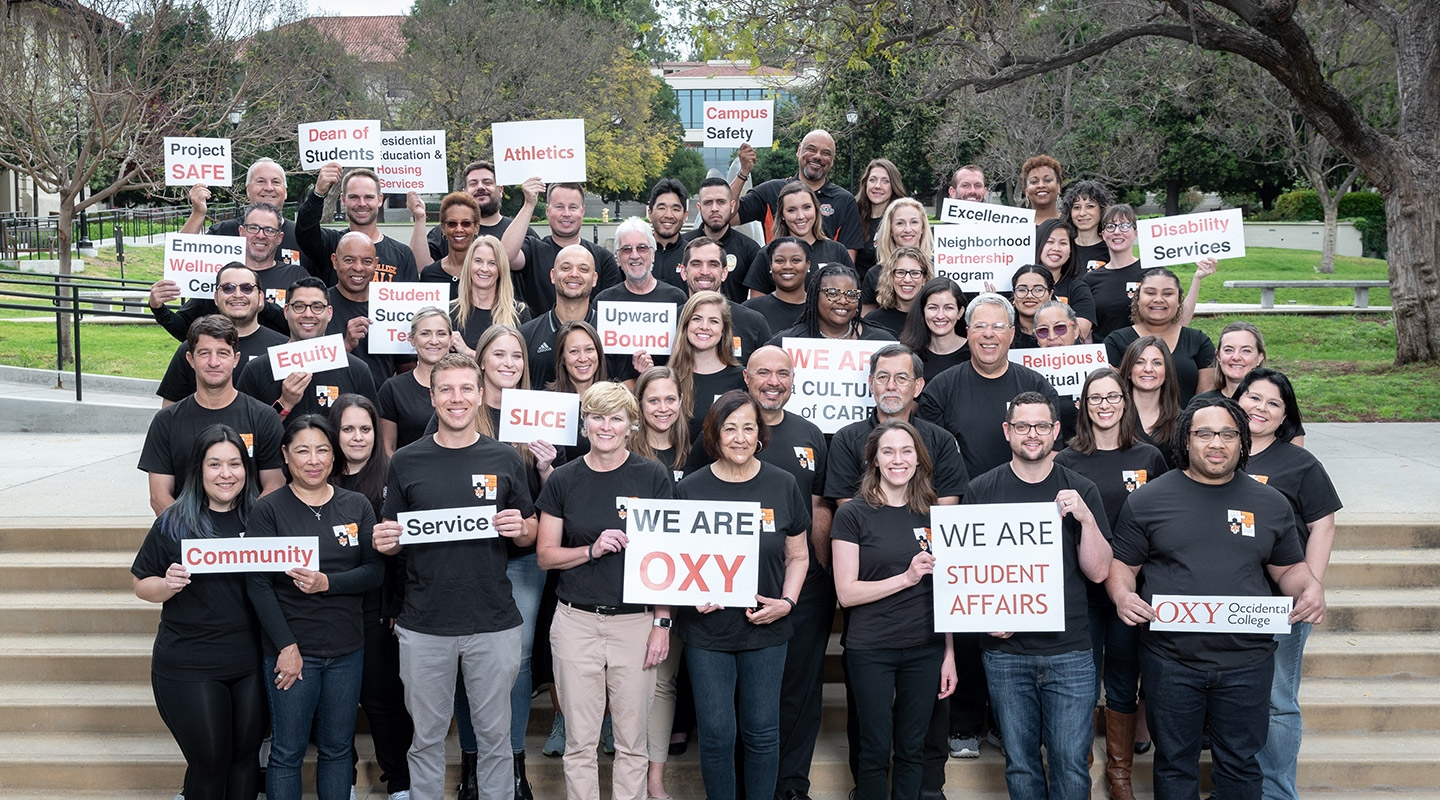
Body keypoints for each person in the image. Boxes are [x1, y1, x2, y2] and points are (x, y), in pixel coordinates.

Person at [1108, 396, 1327, 800]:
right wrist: (1122, 595)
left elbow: (1289, 569)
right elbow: (1123, 566)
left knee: (1241, 766)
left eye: (1228, 434)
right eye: (1205, 433)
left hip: (1247, 663)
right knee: (1174, 763)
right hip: (1170, 661)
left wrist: (1310, 586)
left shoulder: (1270, 503)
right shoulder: (1147, 500)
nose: (1217, 443)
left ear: (1242, 442)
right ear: (1185, 440)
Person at [372, 353, 537, 800]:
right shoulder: (406, 461)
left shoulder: (505, 457)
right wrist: (387, 540)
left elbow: (529, 530)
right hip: (424, 624)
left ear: (480, 394)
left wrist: (523, 528)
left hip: (493, 621)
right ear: (432, 396)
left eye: (466, 388)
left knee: (496, 742)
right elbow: (393, 536)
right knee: (425, 740)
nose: (456, 398)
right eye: (446, 389)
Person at [966, 392, 1114, 800]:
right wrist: (985, 618)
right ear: (1007, 431)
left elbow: (1100, 571)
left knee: (1070, 763)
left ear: (1057, 431)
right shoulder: (981, 490)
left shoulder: (1080, 489)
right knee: (1021, 763)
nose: (1033, 434)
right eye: (1023, 426)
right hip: (1006, 654)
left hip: (1070, 652)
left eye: (1042, 426)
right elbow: (971, 574)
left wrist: (1085, 518)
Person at [536, 382, 675, 800]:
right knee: (580, 742)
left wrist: (662, 622)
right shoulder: (563, 479)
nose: (606, 426)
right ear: (585, 423)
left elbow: (666, 558)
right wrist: (591, 550)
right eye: (597, 416)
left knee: (632, 742)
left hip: (634, 623)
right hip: (575, 622)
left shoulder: (652, 475)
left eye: (616, 417)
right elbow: (545, 555)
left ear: (631, 425)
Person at [675, 390, 811, 800]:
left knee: (762, 733)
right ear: (714, 435)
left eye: (748, 427)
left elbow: (799, 555)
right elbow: (676, 561)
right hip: (707, 631)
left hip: (766, 629)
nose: (739, 437)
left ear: (760, 434)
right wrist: (689, 594)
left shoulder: (783, 484)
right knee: (716, 735)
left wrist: (786, 603)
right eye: (729, 428)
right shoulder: (690, 490)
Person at [246, 414, 383, 800]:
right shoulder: (268, 510)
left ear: (334, 455)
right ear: (286, 456)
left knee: (338, 750)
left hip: (346, 650)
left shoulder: (356, 506)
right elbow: (257, 586)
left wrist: (328, 583)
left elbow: (374, 572)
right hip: (292, 651)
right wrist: (286, 647)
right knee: (287, 752)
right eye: (303, 450)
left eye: (322, 449)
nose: (313, 459)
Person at [1054, 368, 1170, 800]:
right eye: (1095, 397)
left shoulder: (1149, 458)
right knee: (1081, 682)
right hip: (1079, 591)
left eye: (1113, 397)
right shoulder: (1064, 460)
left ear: (1125, 402)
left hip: (1130, 590)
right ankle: (1079, 763)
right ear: (1082, 405)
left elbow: (1163, 522)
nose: (1105, 405)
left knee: (1123, 677)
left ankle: (1120, 773)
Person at [132, 424, 266, 800]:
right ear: (198, 470)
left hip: (250, 663)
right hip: (190, 664)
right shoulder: (174, 522)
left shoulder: (264, 519)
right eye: (215, 464)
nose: (226, 474)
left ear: (247, 469)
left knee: (244, 760)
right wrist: (167, 584)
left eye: (235, 464)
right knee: (210, 762)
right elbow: (142, 584)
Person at [832, 420, 958, 800]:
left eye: (906, 451)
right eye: (888, 451)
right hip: (871, 649)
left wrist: (949, 653)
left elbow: (948, 590)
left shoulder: (935, 515)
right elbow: (846, 593)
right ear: (874, 460)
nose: (897, 459)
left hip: (926, 647)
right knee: (873, 748)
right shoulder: (852, 514)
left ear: (919, 460)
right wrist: (905, 579)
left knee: (912, 747)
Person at [1233, 369, 1342, 800]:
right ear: (1236, 400)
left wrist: (1310, 585)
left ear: (1284, 417)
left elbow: (1323, 526)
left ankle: (1276, 792)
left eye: (1272, 404)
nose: (1260, 408)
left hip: (1281, 603)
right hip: (1224, 601)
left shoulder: (1299, 463)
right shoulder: (1212, 451)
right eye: (1253, 398)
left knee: (1277, 701)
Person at [328, 395, 414, 800]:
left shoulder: (393, 473)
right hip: (327, 609)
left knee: (384, 702)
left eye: (365, 429)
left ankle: (399, 781)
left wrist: (397, 606)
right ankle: (338, 777)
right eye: (347, 429)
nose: (357, 437)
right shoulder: (318, 478)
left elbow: (405, 551)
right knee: (335, 706)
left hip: (379, 611)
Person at [140, 315, 286, 515]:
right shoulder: (167, 421)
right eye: (204, 353)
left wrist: (246, 536)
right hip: (187, 538)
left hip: (248, 539)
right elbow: (159, 496)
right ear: (190, 360)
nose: (214, 362)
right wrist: (194, 538)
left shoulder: (264, 417)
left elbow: (274, 486)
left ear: (236, 359)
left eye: (223, 353)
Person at [917, 293, 1060, 479]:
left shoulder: (1038, 387)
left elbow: (1053, 453)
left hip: (1025, 500)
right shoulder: (939, 390)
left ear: (1012, 334)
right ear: (968, 333)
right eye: (980, 326)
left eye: (998, 327)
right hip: (962, 502)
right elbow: (930, 459)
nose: (988, 334)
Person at [826, 344, 970, 506]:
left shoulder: (941, 440)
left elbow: (946, 509)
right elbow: (847, 509)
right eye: (882, 377)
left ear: (917, 387)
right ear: (871, 384)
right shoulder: (846, 439)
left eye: (901, 378)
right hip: (866, 531)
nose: (891, 386)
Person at [151, 201, 305, 340]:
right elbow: (185, 329)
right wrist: (158, 309)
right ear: (241, 231)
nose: (260, 235)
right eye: (253, 228)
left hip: (275, 366)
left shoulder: (297, 276)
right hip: (222, 366)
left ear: (279, 237)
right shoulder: (220, 276)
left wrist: (264, 306)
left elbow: (306, 328)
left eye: (269, 230)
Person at [236, 277, 379, 418]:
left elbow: (369, 430)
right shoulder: (256, 370)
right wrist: (284, 403)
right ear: (286, 311)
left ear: (329, 313)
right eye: (299, 306)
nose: (308, 314)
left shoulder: (358, 370)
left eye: (317, 307)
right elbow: (247, 432)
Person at [155, 262, 289, 406]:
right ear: (216, 298)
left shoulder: (283, 349)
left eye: (247, 288)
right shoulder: (191, 348)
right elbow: (169, 414)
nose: (238, 295)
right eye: (228, 288)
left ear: (261, 298)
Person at [734, 131, 864, 260]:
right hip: (777, 276)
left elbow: (847, 264)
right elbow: (725, 216)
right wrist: (743, 172)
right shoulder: (771, 190)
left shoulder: (845, 201)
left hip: (824, 278)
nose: (817, 156)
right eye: (811, 149)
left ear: (832, 160)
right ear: (799, 151)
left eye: (826, 153)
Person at [1104, 267, 1217, 405]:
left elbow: (1206, 397)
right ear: (1138, 299)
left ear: (1179, 300)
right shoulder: (1115, 341)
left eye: (1168, 294)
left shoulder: (1199, 341)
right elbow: (1111, 392)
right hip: (1132, 424)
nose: (1158, 299)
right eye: (1150, 293)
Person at [296, 163, 418, 285]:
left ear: (380, 200)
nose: (362, 203)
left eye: (368, 197)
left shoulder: (402, 255)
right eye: (354, 197)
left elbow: (411, 300)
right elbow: (305, 230)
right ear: (343, 200)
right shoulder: (330, 244)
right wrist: (318, 192)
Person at [412, 160, 540, 273]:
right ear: (464, 193)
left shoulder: (522, 231)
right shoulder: (449, 231)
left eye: (487, 182)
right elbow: (421, 267)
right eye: (473, 183)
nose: (480, 187)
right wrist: (419, 218)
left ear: (500, 190)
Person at [324, 231, 417, 388]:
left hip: (380, 407)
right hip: (331, 403)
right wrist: (345, 345)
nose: (358, 268)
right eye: (349, 260)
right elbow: (308, 366)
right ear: (335, 261)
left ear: (375, 264)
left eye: (366, 261)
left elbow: (407, 368)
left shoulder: (392, 306)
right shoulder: (318, 306)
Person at [180, 157, 306, 269]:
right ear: (248, 190)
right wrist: (198, 213)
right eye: (261, 181)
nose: (269, 188)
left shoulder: (303, 237)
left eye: (276, 182)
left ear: (285, 192)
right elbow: (183, 259)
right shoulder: (223, 232)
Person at [515, 183, 622, 314]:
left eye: (573, 207)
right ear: (547, 211)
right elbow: (506, 257)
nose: (566, 214)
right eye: (559, 207)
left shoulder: (603, 258)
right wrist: (529, 204)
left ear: (582, 211)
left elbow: (611, 310)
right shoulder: (533, 250)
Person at [745, 182, 856, 297]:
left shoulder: (837, 251)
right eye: (792, 210)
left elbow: (852, 297)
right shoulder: (766, 254)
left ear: (816, 210)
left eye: (807, 207)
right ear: (782, 215)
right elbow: (757, 308)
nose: (801, 216)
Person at [672, 290, 747, 442]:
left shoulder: (741, 380)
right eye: (697, 319)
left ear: (723, 330)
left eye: (713, 321)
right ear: (685, 325)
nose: (704, 326)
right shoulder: (668, 377)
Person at [681, 238, 773, 361]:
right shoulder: (671, 321)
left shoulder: (753, 322)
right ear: (683, 272)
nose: (704, 271)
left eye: (713, 264)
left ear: (724, 273)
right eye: (696, 264)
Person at [379, 307, 454, 454]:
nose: (434, 341)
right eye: (425, 334)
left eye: (441, 333)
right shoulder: (393, 389)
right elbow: (387, 449)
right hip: (409, 475)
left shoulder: (467, 386)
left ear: (451, 340)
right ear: (412, 340)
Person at [768, 264, 897, 345]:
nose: (843, 301)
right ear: (815, 297)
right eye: (833, 293)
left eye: (851, 294)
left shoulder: (881, 342)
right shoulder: (787, 343)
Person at [449, 234, 532, 353]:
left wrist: (466, 351)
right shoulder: (449, 312)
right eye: (478, 261)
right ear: (469, 265)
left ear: (500, 269)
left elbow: (523, 362)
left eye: (492, 263)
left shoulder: (519, 313)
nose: (484, 268)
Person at [595, 217, 689, 313]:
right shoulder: (604, 301)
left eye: (642, 248)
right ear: (618, 258)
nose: (634, 256)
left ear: (653, 255)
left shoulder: (676, 299)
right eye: (626, 249)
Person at [1119, 336, 1184, 467]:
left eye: (1157, 363)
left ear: (1167, 371)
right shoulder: (1113, 415)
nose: (1148, 369)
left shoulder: (1182, 421)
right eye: (1140, 362)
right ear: (1129, 371)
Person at [1082, 204, 1144, 342]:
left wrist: (1197, 278)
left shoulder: (1152, 273)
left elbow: (1176, 320)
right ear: (1103, 235)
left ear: (1136, 233)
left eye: (1125, 226)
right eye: (1111, 226)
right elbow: (1087, 333)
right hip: (1105, 359)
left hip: (1142, 357)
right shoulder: (1090, 279)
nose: (1117, 231)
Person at [861, 198, 933, 312]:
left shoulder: (939, 268)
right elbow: (866, 322)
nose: (908, 229)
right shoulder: (874, 274)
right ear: (890, 230)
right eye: (900, 223)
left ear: (923, 228)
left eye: (914, 222)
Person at [1034, 218, 1096, 341]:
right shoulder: (1020, 285)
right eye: (1049, 242)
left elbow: (1080, 332)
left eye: (1063, 243)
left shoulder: (1078, 289)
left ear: (1070, 250)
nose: (1056, 248)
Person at [414, 191, 481, 302]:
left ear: (476, 228)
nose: (459, 229)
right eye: (452, 223)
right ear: (443, 228)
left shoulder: (486, 273)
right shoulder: (430, 274)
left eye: (466, 223)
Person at [900, 278, 970, 381]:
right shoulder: (909, 355)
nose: (940, 316)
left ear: (960, 312)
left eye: (948, 308)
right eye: (933, 308)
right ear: (923, 311)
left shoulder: (974, 353)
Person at [743, 237, 810, 332]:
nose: (787, 266)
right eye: (779, 261)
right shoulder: (750, 310)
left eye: (795, 260)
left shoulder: (820, 309)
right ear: (770, 266)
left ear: (807, 265)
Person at [855, 158, 908, 276]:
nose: (877, 186)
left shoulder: (900, 221)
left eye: (885, 181)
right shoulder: (853, 217)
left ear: (894, 185)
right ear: (865, 183)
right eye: (873, 180)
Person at [864, 246, 932, 335]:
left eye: (915, 273)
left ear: (924, 279)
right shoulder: (873, 321)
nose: (907, 279)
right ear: (890, 277)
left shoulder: (933, 319)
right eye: (900, 272)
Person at [645, 178, 695, 292]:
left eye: (676, 209)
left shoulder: (693, 255)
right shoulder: (637, 255)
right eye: (662, 208)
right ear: (650, 213)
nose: (668, 215)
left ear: (685, 215)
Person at [1059, 180, 1114, 273]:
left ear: (1102, 209)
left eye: (1090, 206)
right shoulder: (1063, 248)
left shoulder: (1111, 249)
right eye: (1076, 207)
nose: (1082, 213)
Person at [1009, 265, 1057, 350]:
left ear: (1050, 295)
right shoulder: (1004, 334)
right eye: (1022, 290)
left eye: (1038, 290)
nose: (1029, 295)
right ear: (1014, 294)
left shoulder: (1063, 333)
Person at [1021, 155, 1063, 223]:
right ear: (1026, 191)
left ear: (1058, 187)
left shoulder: (1072, 222)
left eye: (1047, 180)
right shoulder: (1015, 224)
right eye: (1034, 181)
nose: (1041, 185)